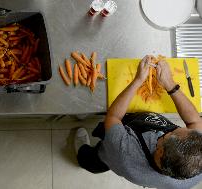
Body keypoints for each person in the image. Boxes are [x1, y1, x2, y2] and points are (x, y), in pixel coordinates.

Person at [74, 55, 202, 189]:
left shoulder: (124, 152)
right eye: (182, 128)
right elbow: (194, 121)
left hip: (110, 154)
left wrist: (138, 80)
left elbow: (113, 117)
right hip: (140, 124)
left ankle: (82, 154)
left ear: (159, 151)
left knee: (94, 160)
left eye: (166, 135)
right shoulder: (198, 156)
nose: (165, 132)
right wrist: (170, 84)